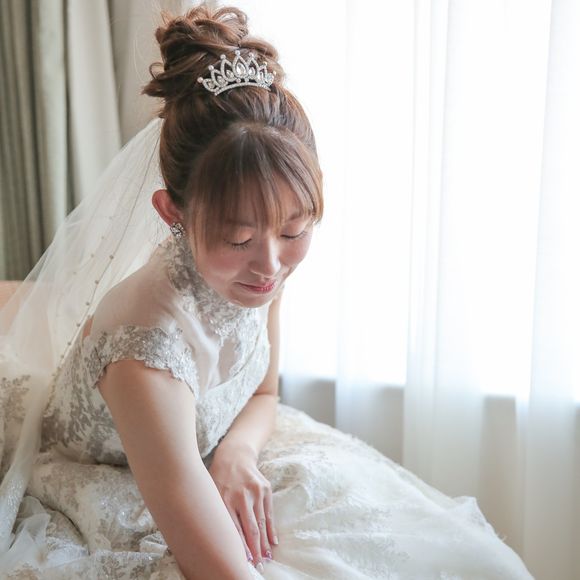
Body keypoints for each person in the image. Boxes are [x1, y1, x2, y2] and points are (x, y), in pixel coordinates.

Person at [0, 3, 533, 579]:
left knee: (474, 560)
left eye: (294, 231)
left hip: (220, 454)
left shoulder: (256, 272)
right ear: (172, 212)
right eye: (238, 239)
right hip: (120, 486)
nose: (270, 266)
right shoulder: (143, 347)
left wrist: (236, 454)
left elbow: (263, 394)